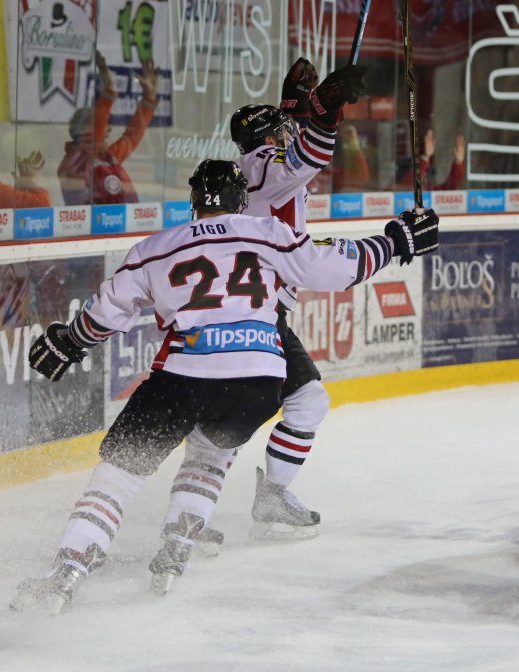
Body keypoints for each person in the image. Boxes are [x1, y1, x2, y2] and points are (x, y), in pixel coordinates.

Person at [11, 159, 440, 614]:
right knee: (210, 453)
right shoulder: (269, 232)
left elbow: (108, 311)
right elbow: (334, 266)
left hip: (184, 377)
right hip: (258, 383)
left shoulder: (155, 247)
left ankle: (68, 570)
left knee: (120, 473)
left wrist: (69, 342)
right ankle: (177, 544)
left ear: (194, 200)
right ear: (241, 200)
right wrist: (397, 241)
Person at [203, 58, 365, 541]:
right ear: (269, 139)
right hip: (258, 311)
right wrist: (324, 112)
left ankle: (206, 511)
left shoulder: (252, 170)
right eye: (282, 130)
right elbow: (307, 155)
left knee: (285, 402)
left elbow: (295, 154)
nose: (289, 134)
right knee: (260, 410)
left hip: (248, 306)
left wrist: (299, 104)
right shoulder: (266, 166)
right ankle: (194, 516)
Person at [57, 51, 158, 205]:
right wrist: (108, 91)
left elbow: (131, 136)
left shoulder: (108, 156)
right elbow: (94, 137)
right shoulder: (76, 161)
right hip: (98, 221)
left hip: (126, 220)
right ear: (86, 131)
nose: (109, 130)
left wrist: (148, 99)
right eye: (104, 125)